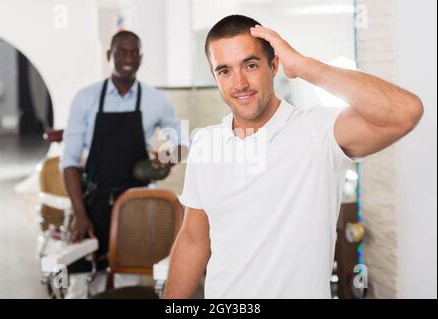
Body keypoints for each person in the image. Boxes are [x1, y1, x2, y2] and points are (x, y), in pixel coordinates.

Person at [163, 15, 423, 298]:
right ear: (215, 77)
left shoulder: (319, 131)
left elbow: (405, 112)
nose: (239, 83)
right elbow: (192, 240)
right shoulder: (205, 142)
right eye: (225, 71)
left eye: (250, 65)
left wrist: (304, 66)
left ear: (274, 65)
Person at [60, 30, 187, 298]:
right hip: (92, 202)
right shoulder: (86, 98)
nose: (128, 58)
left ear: (141, 58)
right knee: (82, 283)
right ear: (110, 55)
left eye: (134, 53)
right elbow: (70, 161)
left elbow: (182, 141)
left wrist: (165, 161)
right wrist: (80, 214)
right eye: (121, 51)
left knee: (127, 281)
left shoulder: (156, 100)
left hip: (136, 205)